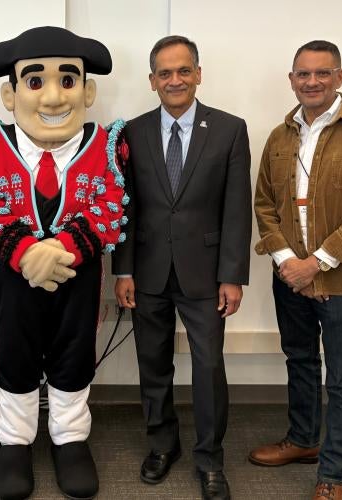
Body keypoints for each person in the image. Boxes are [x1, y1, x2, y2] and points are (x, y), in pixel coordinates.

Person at [0, 26, 127, 500]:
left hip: (80, 278)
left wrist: (61, 250)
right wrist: (26, 253)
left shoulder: (105, 142)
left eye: (68, 81)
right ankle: (14, 441)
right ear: (10, 93)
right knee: (15, 354)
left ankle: (70, 437)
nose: (54, 97)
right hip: (14, 280)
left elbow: (111, 206)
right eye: (35, 83)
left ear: (88, 89)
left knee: (74, 351)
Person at [250, 40, 342, 500]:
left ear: (340, 77)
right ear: (291, 80)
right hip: (288, 276)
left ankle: (333, 473)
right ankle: (303, 441)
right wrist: (288, 263)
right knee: (301, 362)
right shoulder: (279, 135)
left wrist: (317, 264)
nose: (312, 82)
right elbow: (265, 205)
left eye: (322, 73)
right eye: (303, 74)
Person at [112, 35, 251, 500]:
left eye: (183, 70)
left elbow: (237, 209)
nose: (175, 80)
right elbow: (124, 207)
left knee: (209, 368)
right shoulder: (131, 132)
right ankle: (162, 445)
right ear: (152, 80)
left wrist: (232, 275)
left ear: (198, 74)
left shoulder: (230, 130)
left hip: (206, 275)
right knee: (153, 365)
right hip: (148, 271)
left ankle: (210, 460)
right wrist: (122, 270)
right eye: (165, 73)